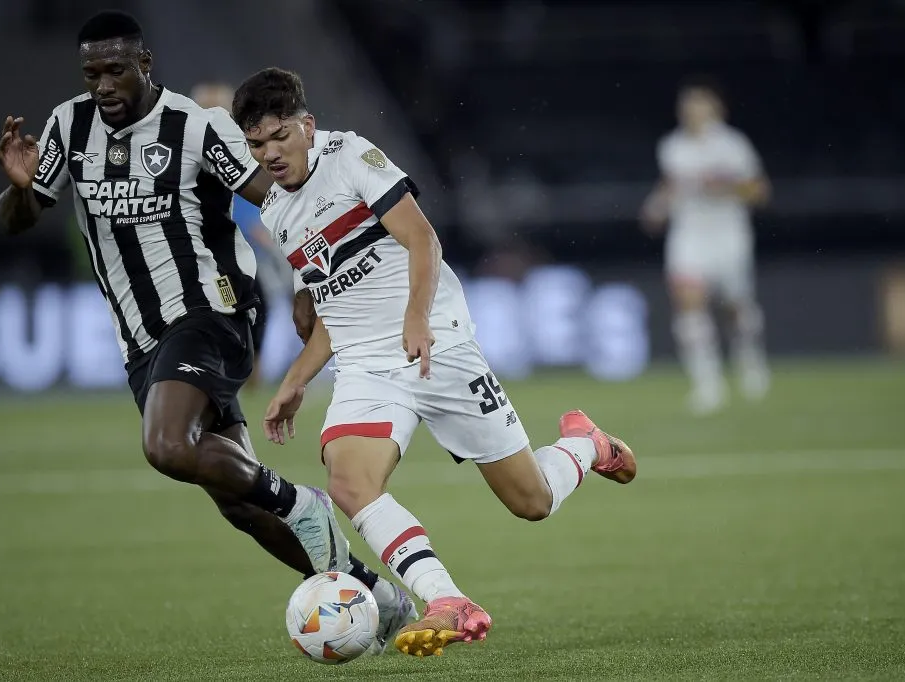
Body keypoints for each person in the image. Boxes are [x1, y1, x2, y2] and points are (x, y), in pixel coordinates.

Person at [0, 11, 414, 652]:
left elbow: (282, 199)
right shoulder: (68, 125)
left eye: (115, 69)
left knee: (165, 446)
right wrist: (21, 190)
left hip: (212, 312)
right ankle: (370, 592)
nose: (102, 84)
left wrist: (303, 284)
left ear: (145, 63)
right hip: (141, 337)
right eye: (92, 72)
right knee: (235, 502)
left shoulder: (196, 127)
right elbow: (20, 217)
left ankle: (299, 499)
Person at [232, 67, 637, 658]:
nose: (270, 153)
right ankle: (445, 599)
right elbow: (334, 307)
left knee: (532, 502)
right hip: (367, 365)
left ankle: (585, 445)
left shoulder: (352, 158)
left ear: (306, 126)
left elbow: (423, 240)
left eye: (279, 136)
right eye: (256, 144)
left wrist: (416, 318)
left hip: (439, 346)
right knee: (348, 482)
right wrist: (295, 381)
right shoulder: (278, 214)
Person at [641, 78, 772, 415]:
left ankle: (749, 361)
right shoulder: (672, 146)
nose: (691, 111)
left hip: (728, 235)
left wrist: (725, 186)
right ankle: (707, 383)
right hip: (689, 236)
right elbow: (671, 186)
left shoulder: (732, 145)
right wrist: (656, 206)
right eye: (687, 105)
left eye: (699, 104)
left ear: (715, 108)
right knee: (689, 306)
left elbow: (759, 191)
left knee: (735, 307)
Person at [191, 82, 293, 389]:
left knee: (253, 306)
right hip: (209, 256)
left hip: (242, 253)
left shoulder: (243, 151)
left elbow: (251, 197)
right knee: (228, 307)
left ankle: (247, 371)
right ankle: (224, 371)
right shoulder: (188, 156)